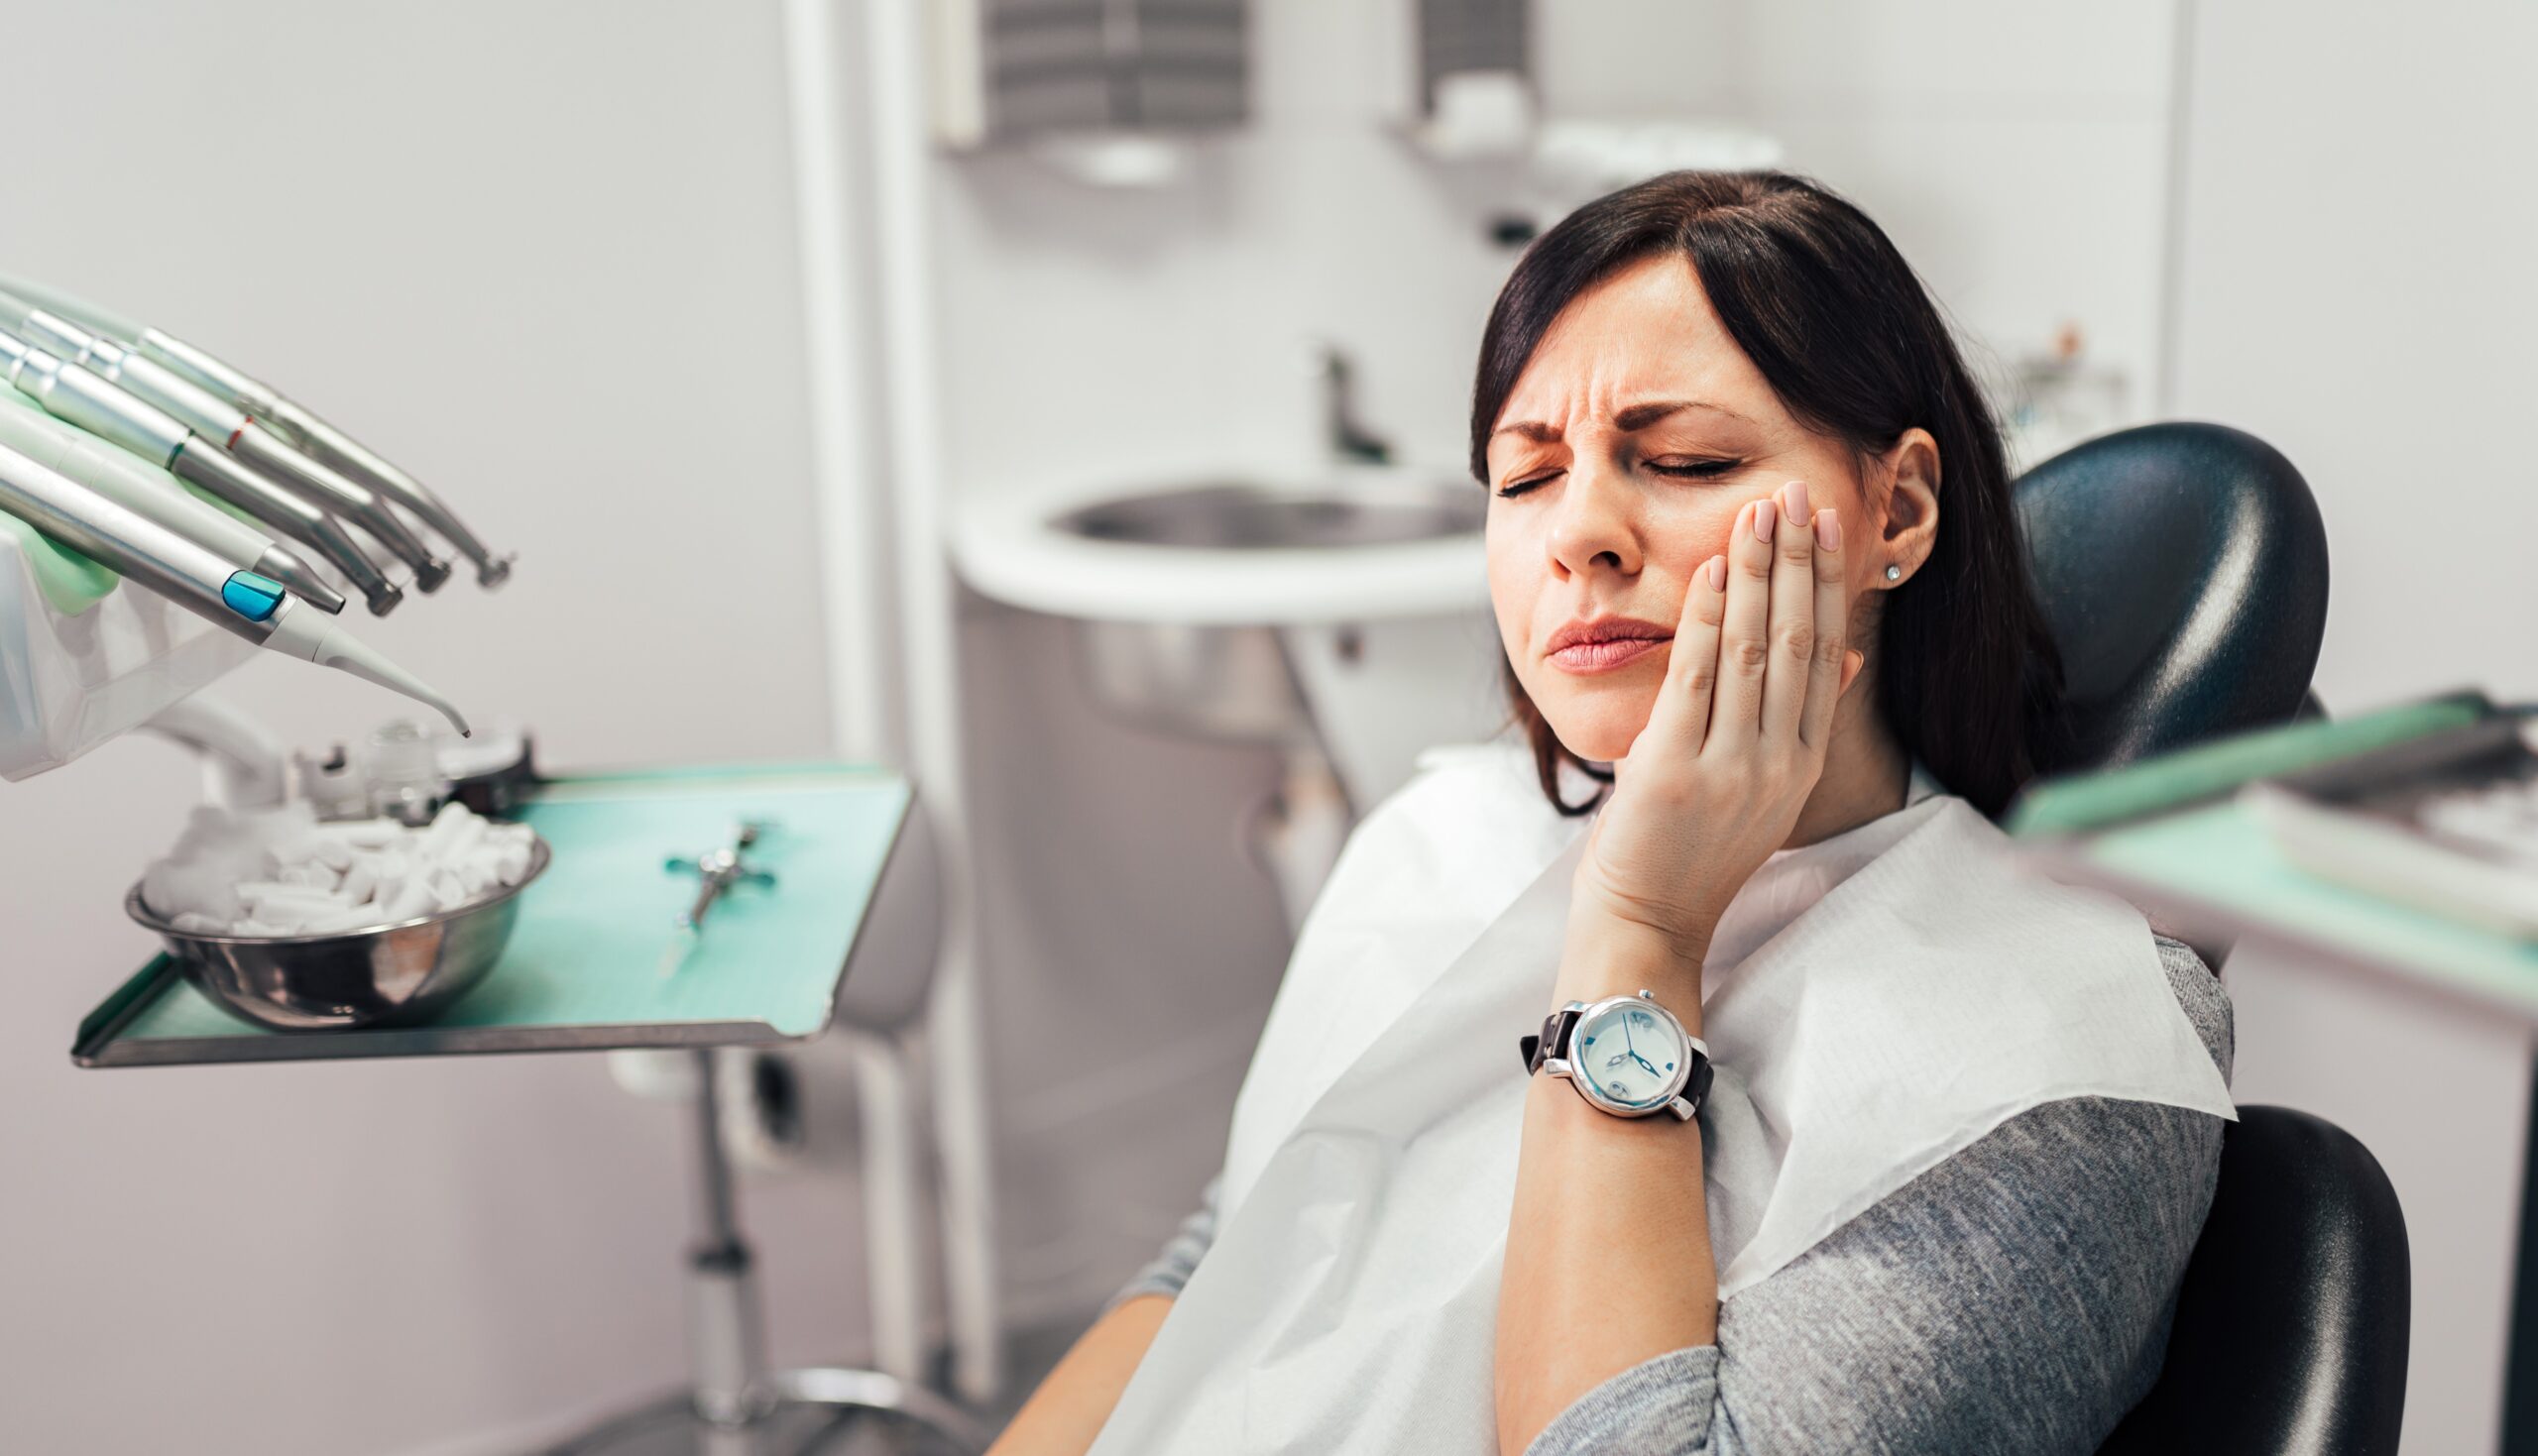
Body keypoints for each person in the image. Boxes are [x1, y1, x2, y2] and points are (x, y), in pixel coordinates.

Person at [987, 170, 2234, 1455]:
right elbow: (1232, 1259)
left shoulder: (2062, 1051)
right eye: (1524, 479)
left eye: (1686, 459)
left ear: (1898, 511)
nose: (1579, 529)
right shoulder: (1440, 843)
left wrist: (1641, 929)